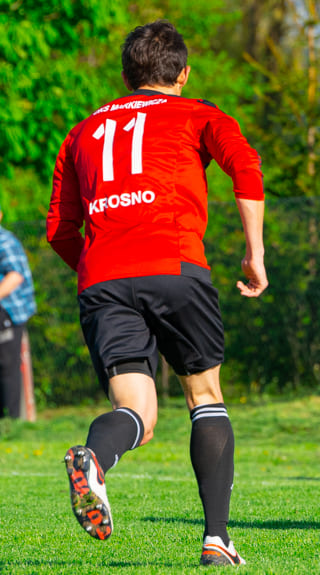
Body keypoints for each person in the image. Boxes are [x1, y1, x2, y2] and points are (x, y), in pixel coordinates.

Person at [47, 21, 267, 566]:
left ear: (126, 77)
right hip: (174, 266)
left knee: (136, 413)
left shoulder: (82, 131)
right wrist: (254, 252)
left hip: (102, 280)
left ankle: (96, 459)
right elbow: (246, 166)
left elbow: (58, 229)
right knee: (204, 395)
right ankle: (217, 539)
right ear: (183, 73)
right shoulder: (199, 114)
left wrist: (98, 269)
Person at [0, 208, 36, 419]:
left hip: (9, 312)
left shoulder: (4, 240)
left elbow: (15, 276)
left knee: (7, 367)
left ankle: (10, 422)